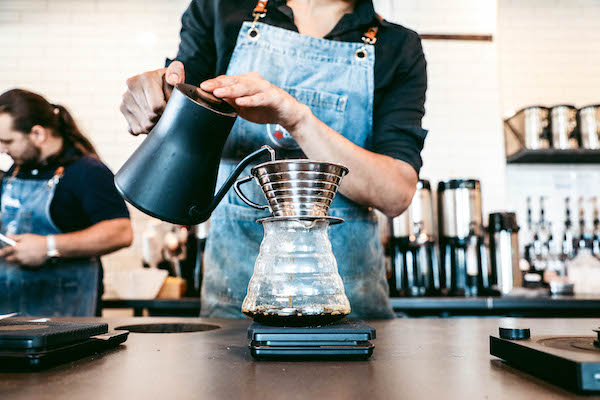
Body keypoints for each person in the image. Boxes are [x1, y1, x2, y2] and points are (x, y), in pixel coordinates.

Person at [121, 0, 427, 319]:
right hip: (234, 304)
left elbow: (395, 193)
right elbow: (182, 111)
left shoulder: (399, 46)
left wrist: (297, 119)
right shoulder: (219, 9)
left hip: (348, 303)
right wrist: (153, 99)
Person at [0, 89, 133, 317]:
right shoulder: (16, 170)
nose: (2, 149)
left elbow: (121, 232)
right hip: (12, 309)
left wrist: (48, 247)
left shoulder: (88, 172)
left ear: (38, 134)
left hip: (66, 313)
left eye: (7, 141)